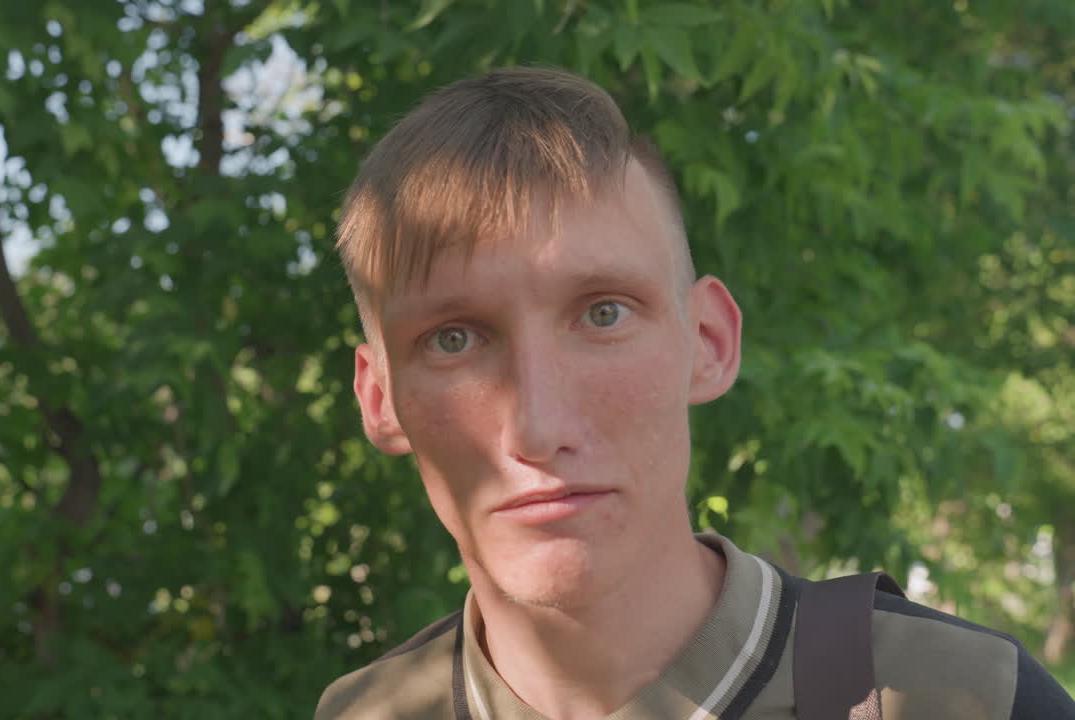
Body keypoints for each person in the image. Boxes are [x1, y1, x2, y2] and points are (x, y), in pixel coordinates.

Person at [315, 66, 1075, 720]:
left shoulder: (963, 698)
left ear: (708, 343)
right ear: (380, 397)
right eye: (454, 338)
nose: (537, 425)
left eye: (602, 313)